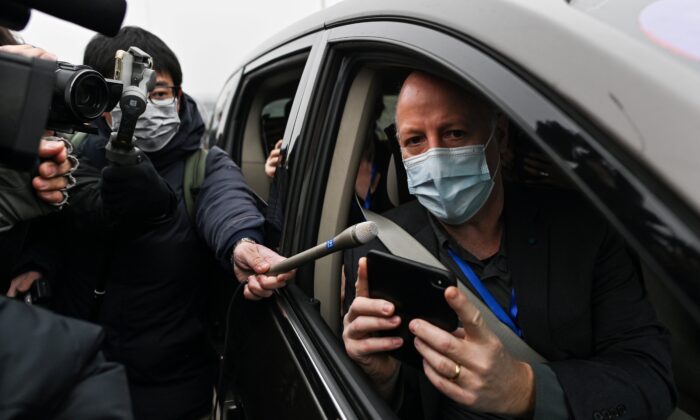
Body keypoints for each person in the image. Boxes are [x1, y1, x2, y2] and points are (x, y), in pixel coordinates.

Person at [342, 71, 675, 419]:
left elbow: (650, 375)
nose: (435, 157)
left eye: (454, 133)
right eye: (414, 141)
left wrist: (527, 389)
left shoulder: (582, 229)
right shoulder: (377, 249)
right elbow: (402, 401)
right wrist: (385, 381)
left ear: (499, 136)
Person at [13, 26, 293, 420]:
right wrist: (34, 263)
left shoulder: (204, 165)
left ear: (179, 97)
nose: (141, 105)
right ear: (97, 103)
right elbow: (51, 222)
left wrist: (241, 242)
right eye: (125, 93)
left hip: (173, 390)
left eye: (158, 93)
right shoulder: (69, 160)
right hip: (74, 382)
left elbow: (226, 204)